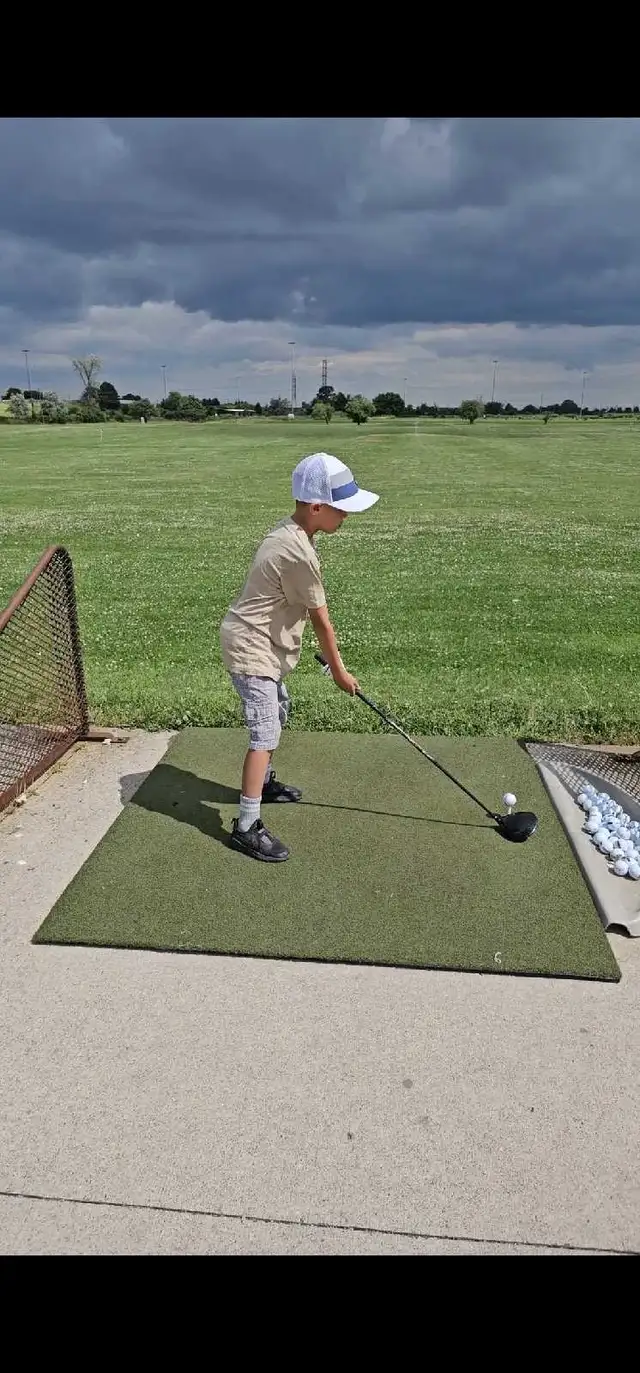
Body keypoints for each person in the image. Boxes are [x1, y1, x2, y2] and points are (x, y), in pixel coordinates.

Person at [220, 451, 379, 862]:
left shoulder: (294, 534)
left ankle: (265, 783)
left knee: (280, 710)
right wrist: (341, 672)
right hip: (250, 648)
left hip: (263, 644)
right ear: (315, 506)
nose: (347, 516)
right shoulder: (297, 553)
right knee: (264, 733)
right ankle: (246, 826)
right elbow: (322, 622)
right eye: (341, 509)